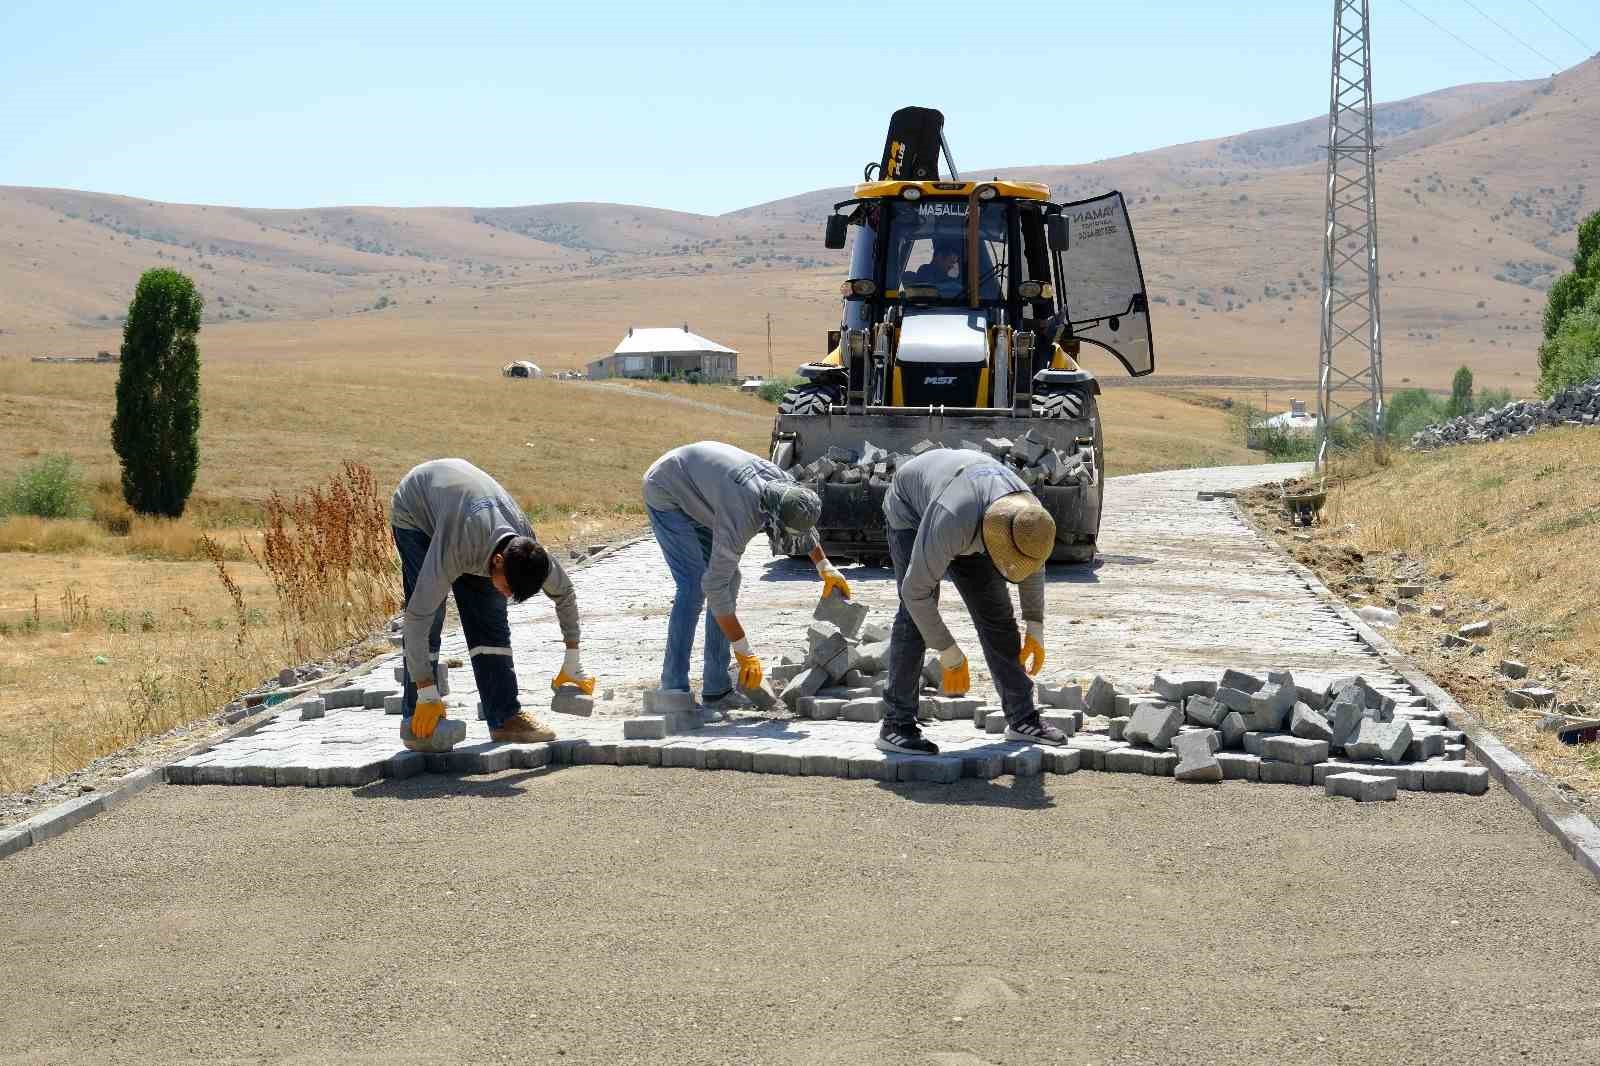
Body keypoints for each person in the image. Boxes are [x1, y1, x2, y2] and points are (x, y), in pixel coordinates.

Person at [876, 448, 1068, 755]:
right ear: (994, 539)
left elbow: (1033, 560)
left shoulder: (1028, 515)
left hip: (970, 502)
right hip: (912, 510)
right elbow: (916, 592)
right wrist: (949, 652)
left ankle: (1022, 719)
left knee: (997, 614)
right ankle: (896, 724)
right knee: (916, 614)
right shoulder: (952, 520)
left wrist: (1035, 624)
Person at [391, 458, 592, 749]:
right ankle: (416, 720)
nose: (509, 595)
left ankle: (505, 717)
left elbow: (565, 593)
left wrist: (573, 657)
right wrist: (427, 691)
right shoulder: (457, 547)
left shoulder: (527, 548)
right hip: (417, 512)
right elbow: (416, 618)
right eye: (509, 587)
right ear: (497, 561)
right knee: (431, 615)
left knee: (491, 619)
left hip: (466, 511)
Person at [643, 441, 850, 711]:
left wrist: (825, 567)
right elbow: (713, 586)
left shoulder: (783, 486)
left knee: (730, 579)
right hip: (668, 490)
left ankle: (716, 689)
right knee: (695, 586)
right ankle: (672, 689)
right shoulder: (741, 517)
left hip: (704, 489)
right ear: (774, 521)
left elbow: (802, 524)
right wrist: (744, 651)